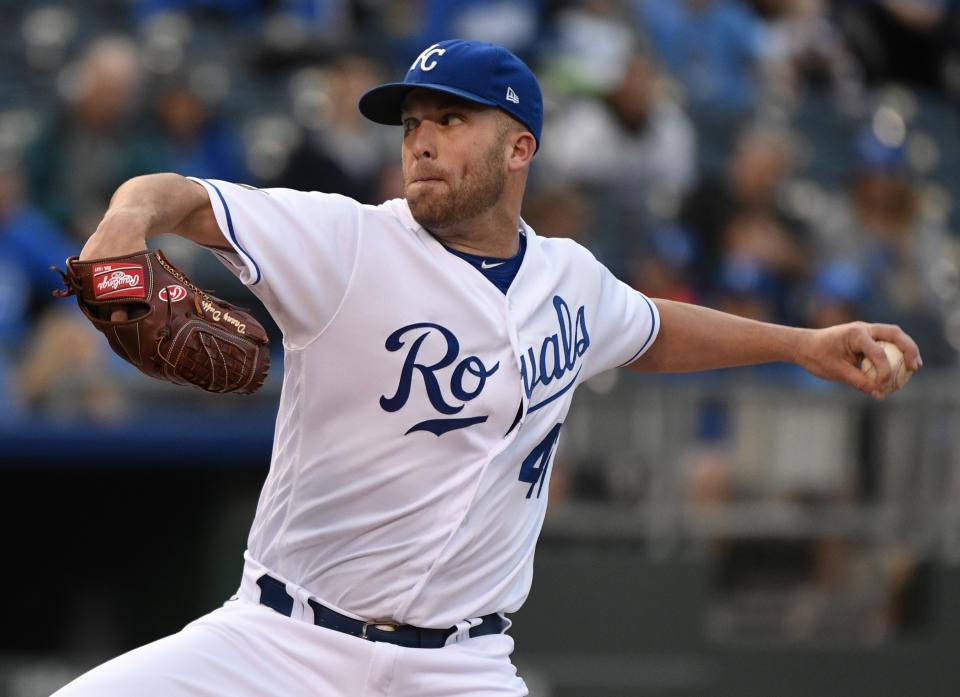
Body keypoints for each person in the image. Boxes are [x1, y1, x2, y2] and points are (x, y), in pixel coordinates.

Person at [53, 39, 920, 697]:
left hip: (460, 666)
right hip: (282, 645)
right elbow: (177, 196)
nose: (422, 141)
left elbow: (651, 330)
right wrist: (125, 225)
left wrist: (799, 345)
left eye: (451, 120)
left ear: (519, 148)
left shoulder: (571, 279)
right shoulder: (348, 242)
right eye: (413, 124)